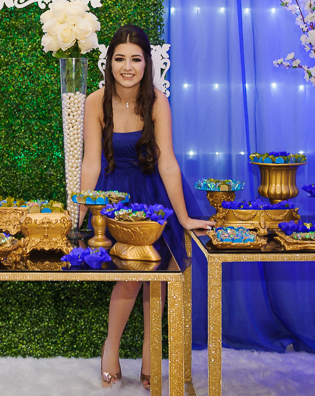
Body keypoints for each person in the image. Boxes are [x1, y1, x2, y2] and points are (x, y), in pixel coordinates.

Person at [78, 24, 213, 389]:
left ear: (146, 62)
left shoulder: (157, 100)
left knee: (159, 279)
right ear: (109, 63)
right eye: (120, 58)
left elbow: (167, 161)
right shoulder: (94, 102)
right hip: (116, 199)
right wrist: (82, 215)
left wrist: (183, 216)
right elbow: (90, 162)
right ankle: (111, 346)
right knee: (129, 278)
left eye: (135, 59)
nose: (127, 66)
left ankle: (151, 351)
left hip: (156, 195)